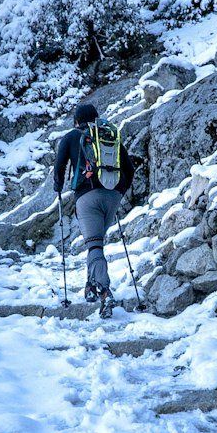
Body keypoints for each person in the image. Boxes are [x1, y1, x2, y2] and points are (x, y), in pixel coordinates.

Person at [53, 100, 136, 317]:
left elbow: (59, 168)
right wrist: (118, 191)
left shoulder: (71, 136)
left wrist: (58, 188)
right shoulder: (107, 135)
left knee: (94, 246)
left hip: (87, 196)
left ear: (76, 120)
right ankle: (90, 286)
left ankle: (104, 291)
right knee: (96, 243)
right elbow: (129, 167)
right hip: (113, 195)